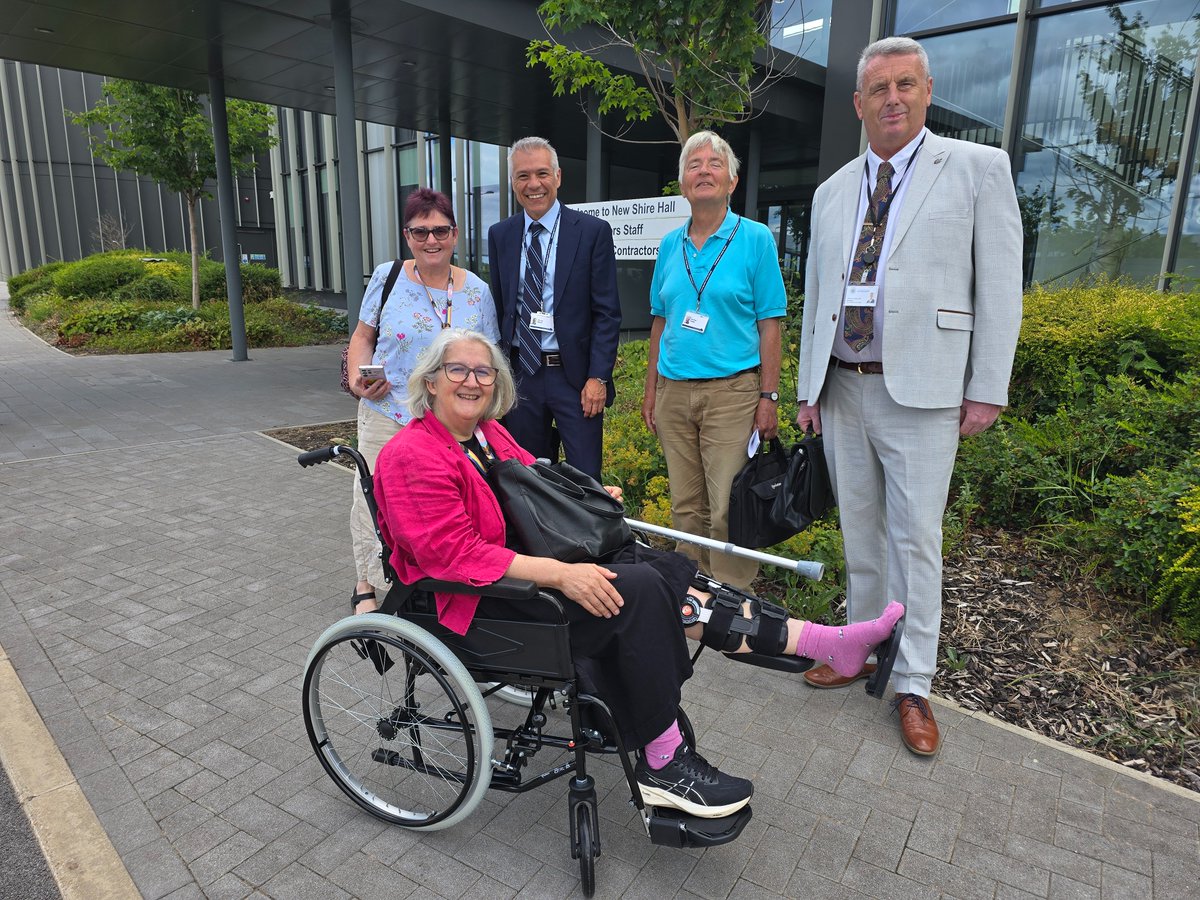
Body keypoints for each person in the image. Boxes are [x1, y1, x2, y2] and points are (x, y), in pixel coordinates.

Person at [373, 328, 905, 819]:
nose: (471, 381)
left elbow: (537, 486)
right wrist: (561, 575)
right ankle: (663, 761)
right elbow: (455, 555)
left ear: (496, 383)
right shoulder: (412, 455)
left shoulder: (487, 434)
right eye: (457, 370)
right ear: (430, 380)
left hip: (528, 575)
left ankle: (827, 642)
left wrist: (588, 500)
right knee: (645, 592)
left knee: (664, 567)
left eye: (483, 371)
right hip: (484, 602)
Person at [797, 37, 1022, 756]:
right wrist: (807, 387)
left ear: (926, 91)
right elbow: (819, 299)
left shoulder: (979, 170)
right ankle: (858, 646)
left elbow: (1000, 287)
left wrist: (987, 386)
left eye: (905, 85)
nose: (891, 98)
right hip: (843, 387)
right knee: (859, 530)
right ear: (858, 103)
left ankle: (914, 682)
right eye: (878, 89)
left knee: (916, 540)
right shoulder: (832, 191)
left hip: (923, 389)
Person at [641, 131, 786, 590]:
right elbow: (660, 323)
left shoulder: (755, 239)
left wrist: (769, 396)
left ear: (732, 180)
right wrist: (651, 391)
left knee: (727, 503)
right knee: (685, 503)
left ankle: (733, 596)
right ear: (683, 185)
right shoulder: (670, 245)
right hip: (673, 391)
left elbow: (770, 325)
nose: (703, 170)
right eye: (694, 164)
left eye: (714, 163)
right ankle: (692, 590)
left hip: (733, 394)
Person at [346, 189, 500, 615]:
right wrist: (360, 379)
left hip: (450, 422)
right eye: (420, 232)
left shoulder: (477, 292)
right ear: (407, 235)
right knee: (373, 495)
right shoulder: (388, 276)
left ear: (454, 234)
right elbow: (363, 337)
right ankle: (369, 582)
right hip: (389, 410)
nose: (431, 240)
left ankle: (430, 582)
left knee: (444, 503)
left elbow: (487, 356)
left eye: (440, 231)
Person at [488, 136, 621, 480]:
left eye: (542, 173)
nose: (533, 184)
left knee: (585, 477)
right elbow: (503, 307)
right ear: (513, 182)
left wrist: (598, 377)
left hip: (574, 379)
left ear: (558, 177)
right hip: (521, 375)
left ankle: (586, 535)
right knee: (527, 476)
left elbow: (607, 312)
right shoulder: (501, 234)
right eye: (522, 176)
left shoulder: (592, 232)